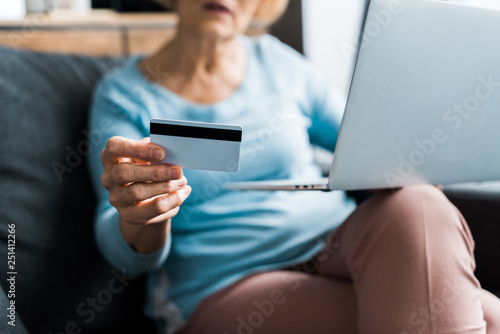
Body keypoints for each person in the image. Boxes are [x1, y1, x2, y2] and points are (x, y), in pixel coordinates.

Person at [88, 0, 500, 333]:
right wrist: (143, 212)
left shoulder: (285, 68)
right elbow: (126, 257)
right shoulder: (125, 97)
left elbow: (378, 151)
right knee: (485, 319)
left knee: (419, 202)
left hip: (332, 245)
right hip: (229, 281)